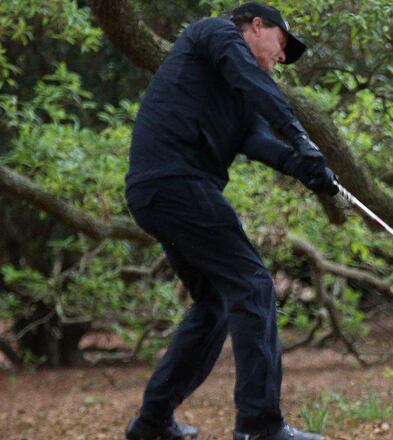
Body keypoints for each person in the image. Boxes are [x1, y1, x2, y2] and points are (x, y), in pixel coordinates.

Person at [123, 2, 335, 439]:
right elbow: (252, 81)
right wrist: (301, 136)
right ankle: (260, 427)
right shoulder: (212, 33)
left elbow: (260, 142)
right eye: (282, 43)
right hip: (174, 184)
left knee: (216, 302)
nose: (282, 57)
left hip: (164, 195)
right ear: (256, 26)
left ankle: (152, 423)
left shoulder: (239, 98)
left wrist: (307, 168)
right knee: (253, 284)